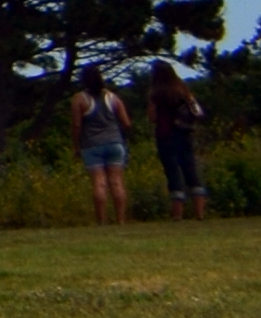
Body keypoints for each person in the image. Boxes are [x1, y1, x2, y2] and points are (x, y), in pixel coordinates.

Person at [145, 61, 209, 220]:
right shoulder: (184, 90)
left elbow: (152, 118)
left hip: (166, 135)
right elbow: (197, 111)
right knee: (191, 170)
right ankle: (199, 212)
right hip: (185, 133)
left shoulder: (156, 94)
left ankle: (177, 214)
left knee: (173, 172)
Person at [72, 63, 135, 223]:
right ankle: (120, 220)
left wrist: (76, 145)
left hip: (91, 144)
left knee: (99, 182)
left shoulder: (79, 99)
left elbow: (77, 125)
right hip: (114, 142)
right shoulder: (113, 97)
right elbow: (127, 123)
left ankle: (101, 221)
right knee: (116, 181)